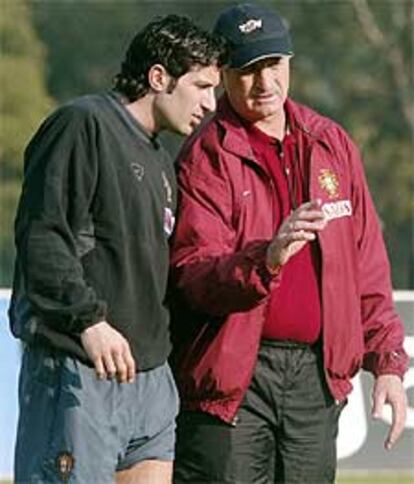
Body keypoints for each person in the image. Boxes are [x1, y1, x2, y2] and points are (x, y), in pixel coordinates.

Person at [169, 4, 409, 483]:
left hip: (315, 382)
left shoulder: (332, 143)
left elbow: (367, 267)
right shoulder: (206, 156)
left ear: (290, 63)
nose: (265, 84)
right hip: (234, 378)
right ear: (222, 75)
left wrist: (386, 363)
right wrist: (267, 259)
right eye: (248, 70)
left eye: (273, 65)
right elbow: (192, 274)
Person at [9, 14, 224, 484]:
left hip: (149, 382)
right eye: (203, 85)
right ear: (158, 77)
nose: (211, 104)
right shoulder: (82, 124)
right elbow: (42, 237)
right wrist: (88, 320)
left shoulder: (163, 163)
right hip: (80, 367)